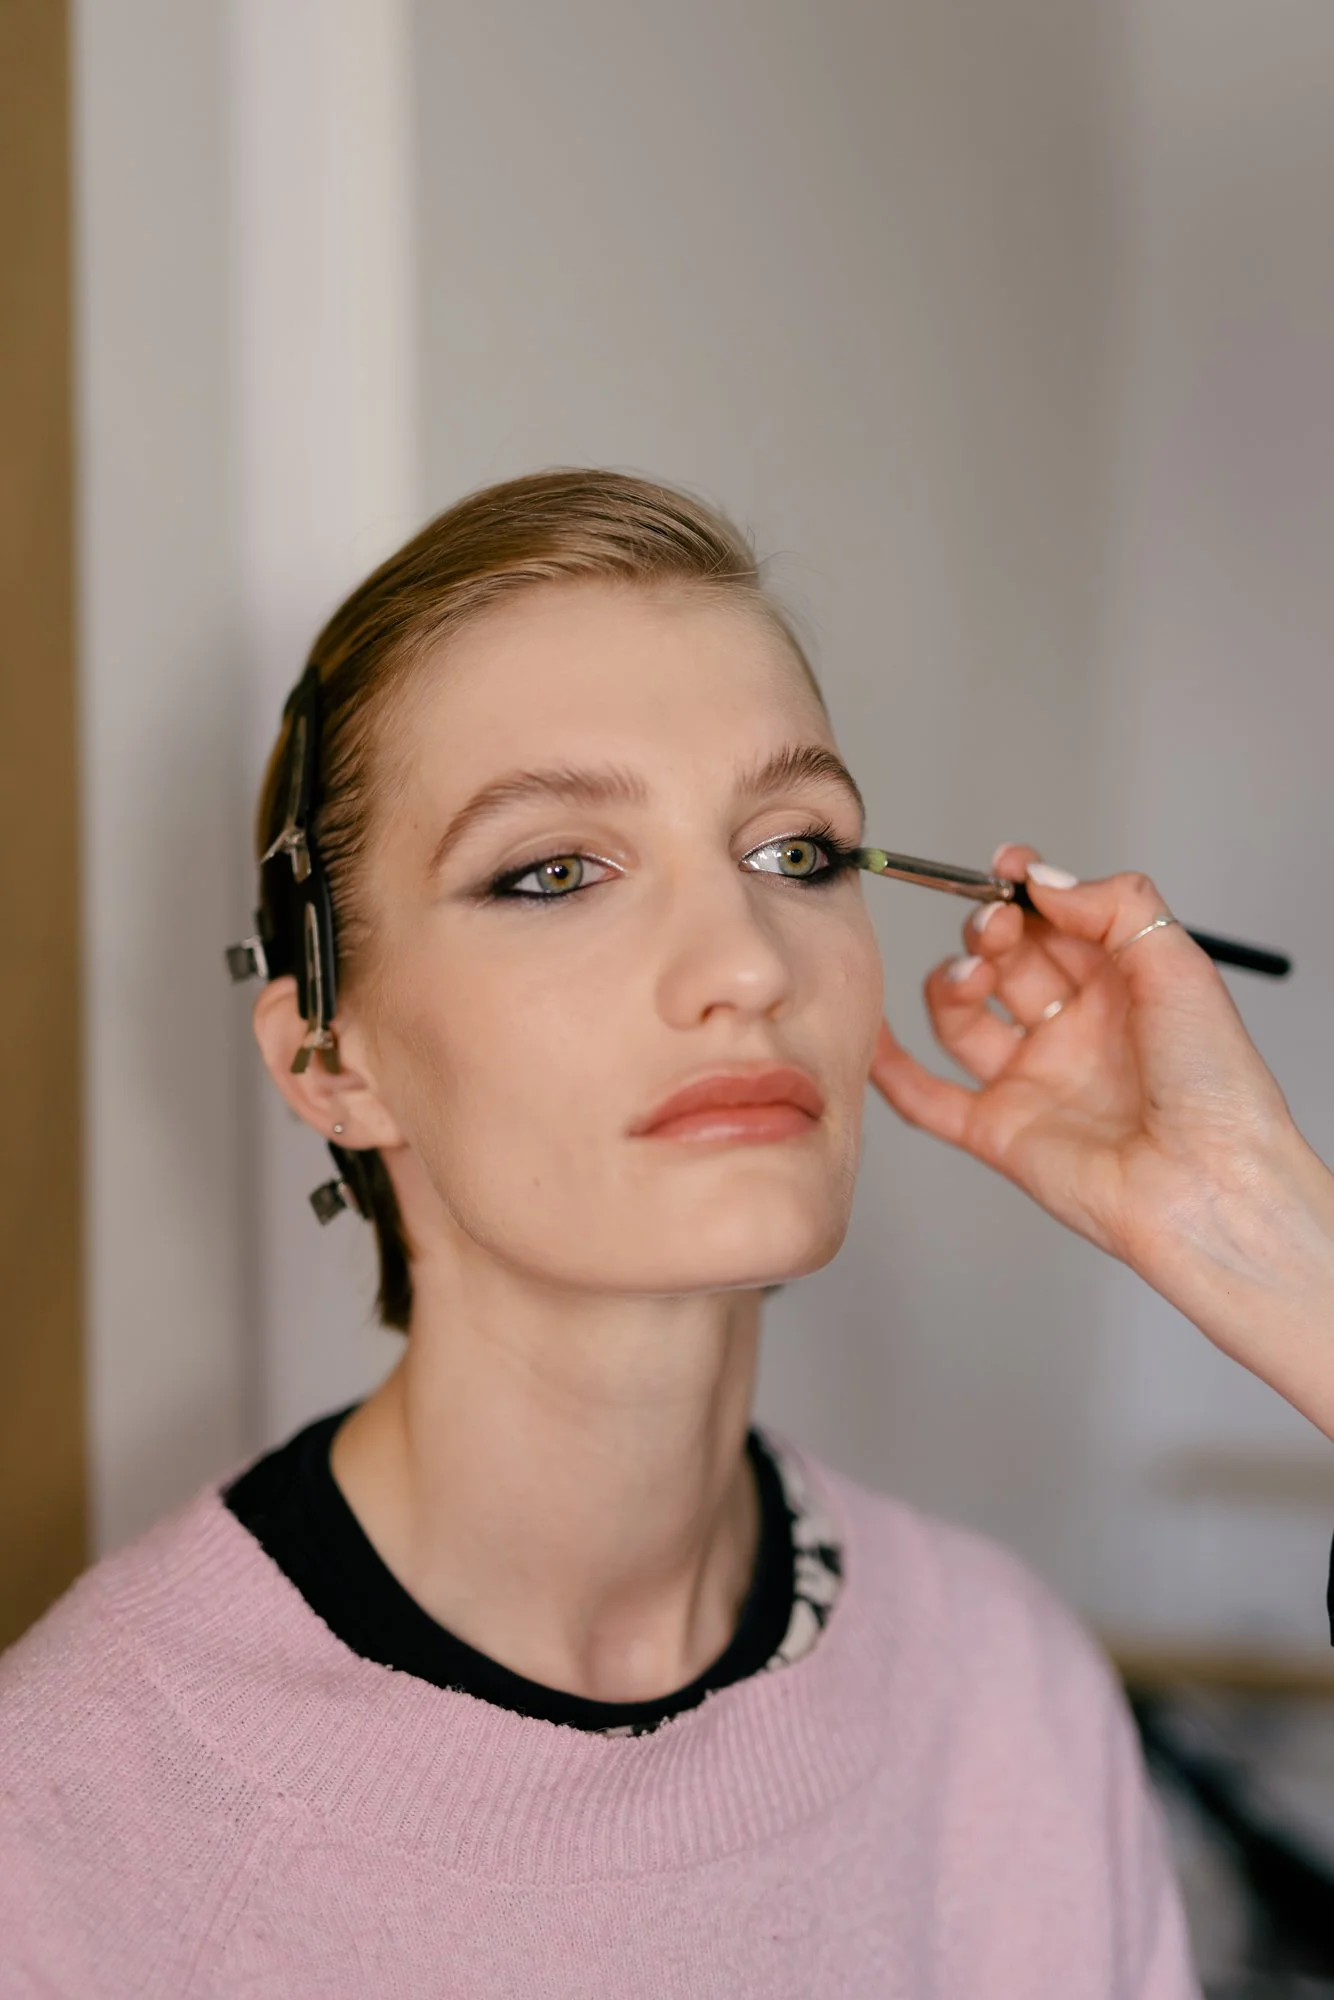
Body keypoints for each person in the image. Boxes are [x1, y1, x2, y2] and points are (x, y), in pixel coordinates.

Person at [2, 468, 1331, 1997]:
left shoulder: (1005, 1692)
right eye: (552, 871)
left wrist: (1256, 1227)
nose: (745, 964)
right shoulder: (74, 1826)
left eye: (794, 852)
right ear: (331, 1059)